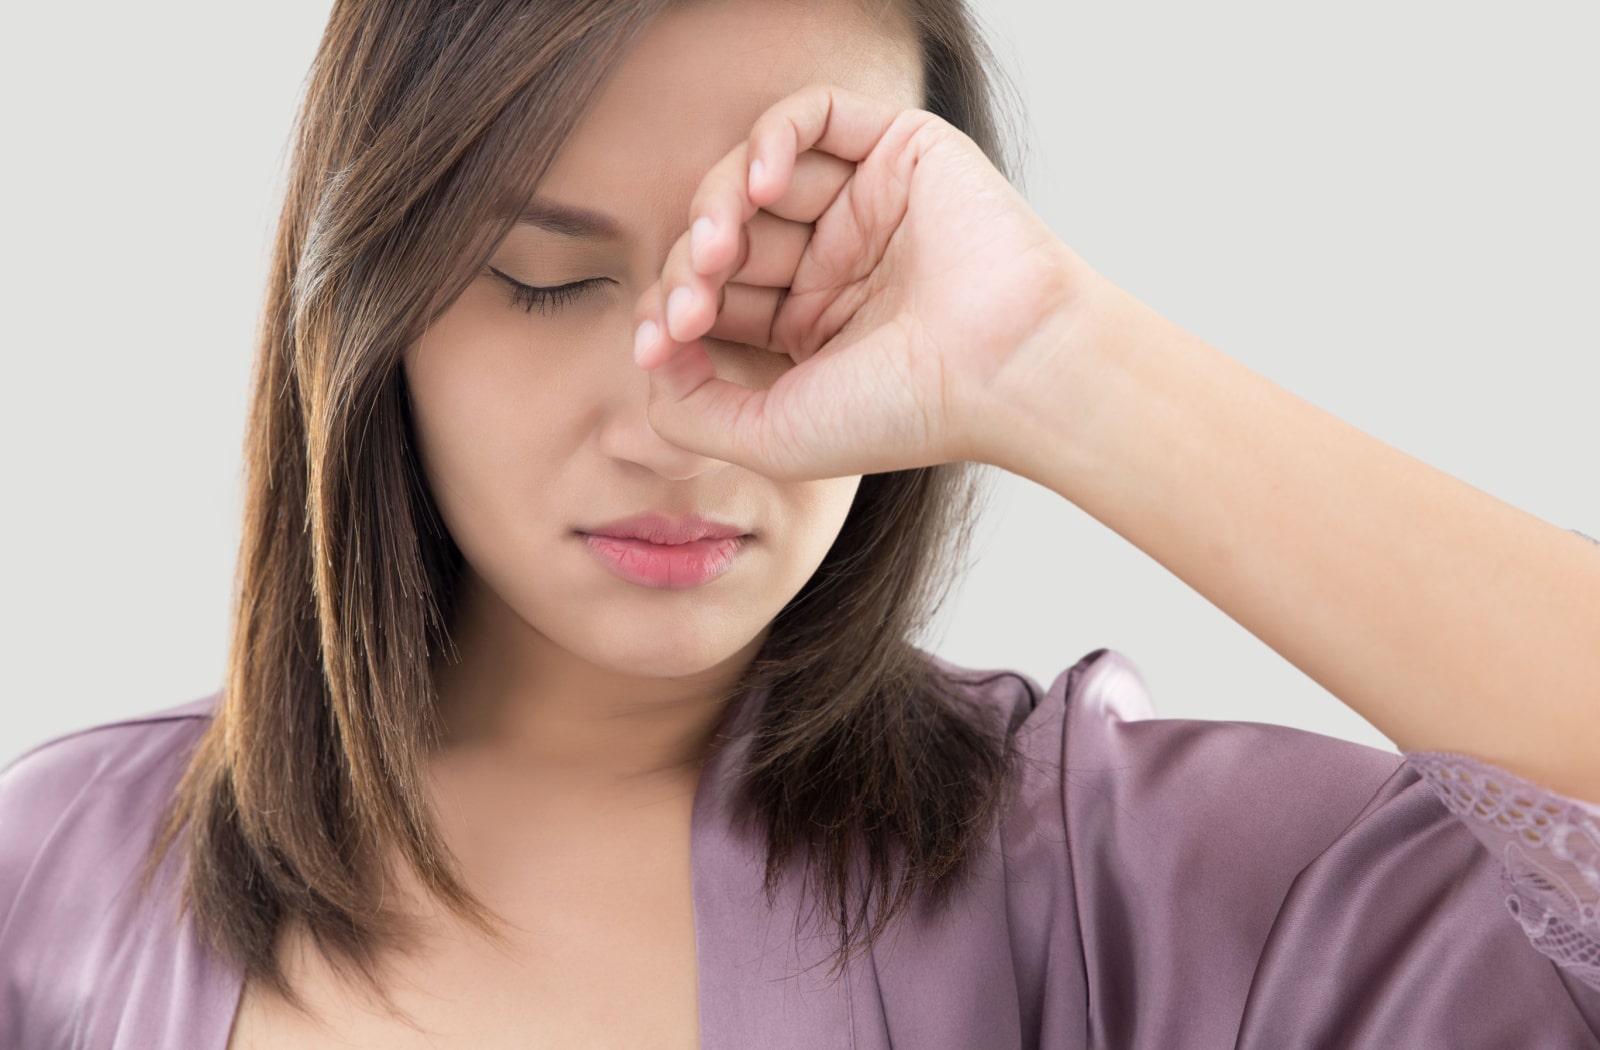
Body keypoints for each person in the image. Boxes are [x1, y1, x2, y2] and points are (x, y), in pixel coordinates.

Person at [3, 0, 1597, 1046]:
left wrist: (1058, 360)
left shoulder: (1115, 879)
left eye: (782, 279)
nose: (672, 410)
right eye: (545, 278)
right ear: (374, 311)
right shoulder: (50, 882)